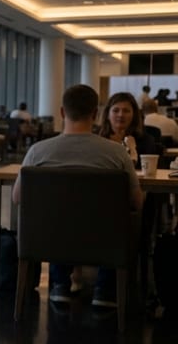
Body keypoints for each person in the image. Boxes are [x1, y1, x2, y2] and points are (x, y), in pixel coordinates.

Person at [13, 85, 142, 308]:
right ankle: (104, 289)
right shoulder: (117, 153)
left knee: (59, 219)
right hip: (104, 241)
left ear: (63, 112)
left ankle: (60, 284)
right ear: (95, 114)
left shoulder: (38, 151)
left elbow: (17, 197)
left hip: (50, 241)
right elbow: (136, 202)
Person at [98, 92, 161, 167]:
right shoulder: (96, 138)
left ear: (134, 115)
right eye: (116, 110)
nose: (121, 115)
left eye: (126, 111)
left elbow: (146, 169)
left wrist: (132, 150)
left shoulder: (146, 141)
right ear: (107, 114)